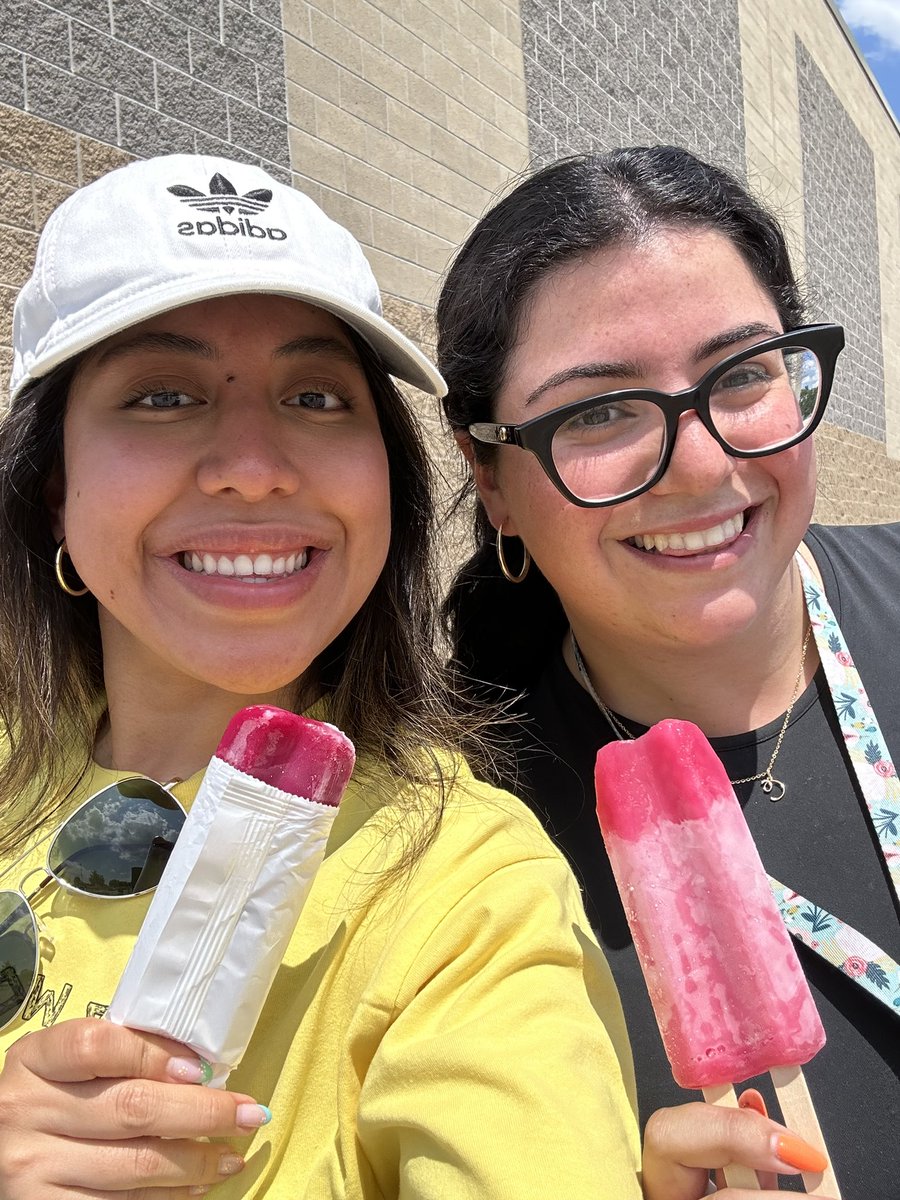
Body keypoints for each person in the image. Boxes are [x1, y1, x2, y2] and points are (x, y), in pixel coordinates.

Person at [0, 153, 647, 1198]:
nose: (254, 464)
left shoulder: (468, 892)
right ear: (51, 492)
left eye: (316, 395)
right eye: (161, 396)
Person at [439, 146, 898, 1198]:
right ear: (490, 477)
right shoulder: (466, 847)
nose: (701, 467)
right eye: (598, 411)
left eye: (742, 373)